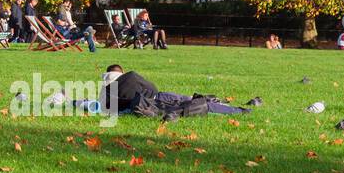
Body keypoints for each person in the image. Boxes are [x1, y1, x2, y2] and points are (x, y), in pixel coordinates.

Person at [100, 64, 256, 119]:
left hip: (150, 104)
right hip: (159, 99)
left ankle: (224, 103)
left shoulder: (106, 94)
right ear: (121, 72)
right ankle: (238, 110)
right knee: (193, 102)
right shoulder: (131, 77)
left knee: (192, 100)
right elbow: (152, 88)